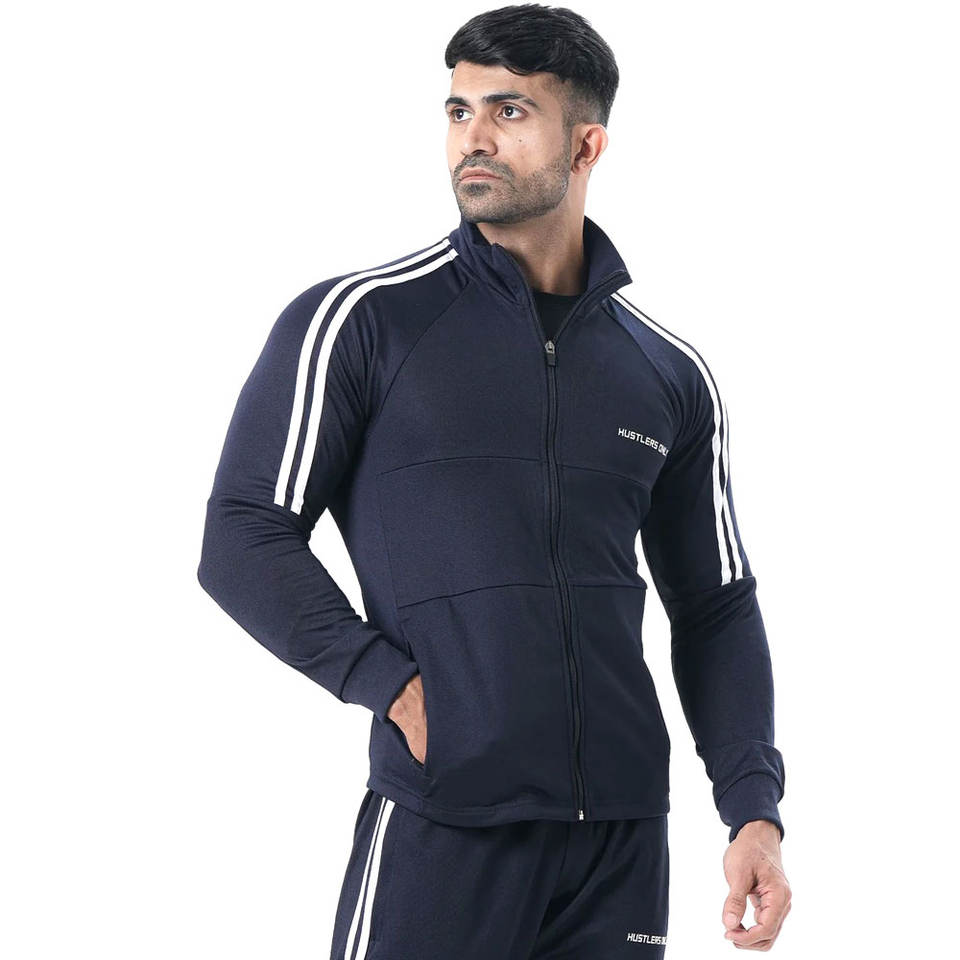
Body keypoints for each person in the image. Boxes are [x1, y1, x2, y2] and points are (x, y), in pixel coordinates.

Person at [197, 4, 791, 956]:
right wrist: (390, 685)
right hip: (446, 817)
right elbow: (242, 531)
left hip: (621, 841)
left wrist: (752, 808)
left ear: (586, 145)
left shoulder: (666, 373)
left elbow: (715, 603)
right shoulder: (363, 321)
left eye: (509, 112)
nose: (473, 136)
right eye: (458, 109)